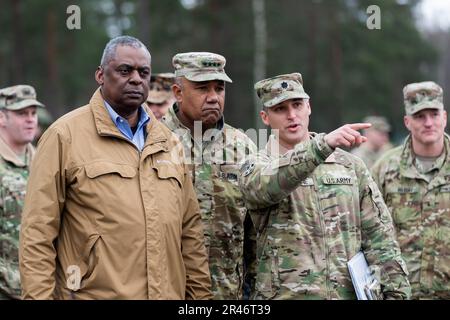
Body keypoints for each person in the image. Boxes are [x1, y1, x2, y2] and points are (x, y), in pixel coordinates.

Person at [19, 36, 212, 300]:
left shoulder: (169, 143)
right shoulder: (64, 136)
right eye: (124, 70)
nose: (136, 79)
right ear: (100, 75)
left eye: (143, 72)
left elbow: (190, 234)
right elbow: (37, 233)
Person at [239, 73, 411, 300]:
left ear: (308, 107)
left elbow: (379, 237)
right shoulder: (255, 166)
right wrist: (322, 146)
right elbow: (266, 187)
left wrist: (397, 293)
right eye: (280, 109)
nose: (292, 115)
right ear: (265, 117)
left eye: (297, 105)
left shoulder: (349, 166)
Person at [161, 52, 257, 299]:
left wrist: (252, 291)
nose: (214, 97)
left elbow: (255, 230)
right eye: (203, 88)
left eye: (219, 88)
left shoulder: (243, 147)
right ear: (178, 92)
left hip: (226, 293)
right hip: (165, 290)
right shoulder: (153, 140)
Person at [372, 81, 449, 299]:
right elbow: (366, 230)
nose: (428, 123)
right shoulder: (385, 168)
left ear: (444, 117)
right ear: (407, 121)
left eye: (433, 114)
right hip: (402, 292)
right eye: (419, 116)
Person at [0, 85, 44, 299]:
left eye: (33, 113)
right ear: (2, 118)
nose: (30, 120)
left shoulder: (45, 161)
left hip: (41, 287)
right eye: (21, 113)